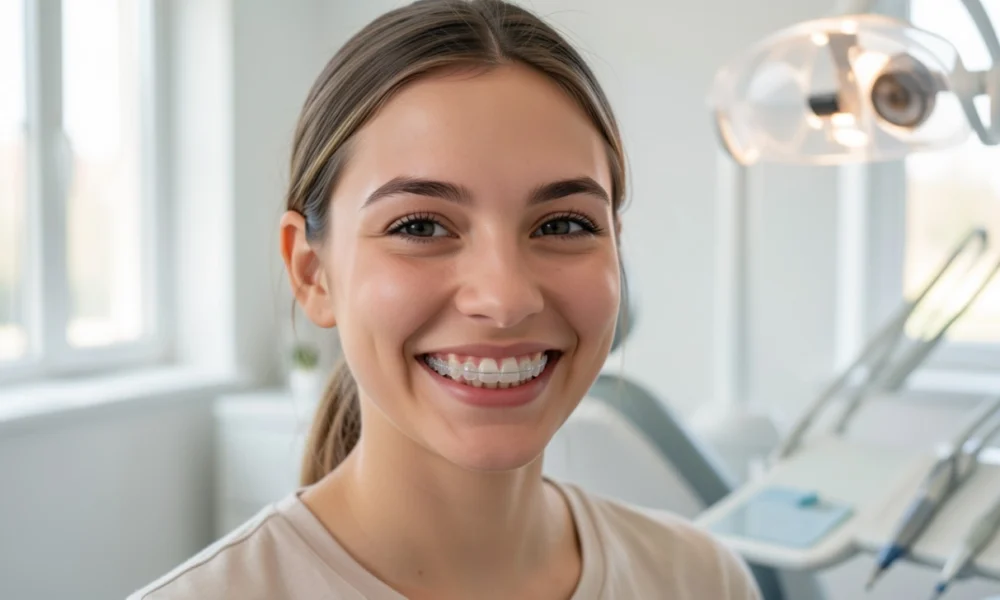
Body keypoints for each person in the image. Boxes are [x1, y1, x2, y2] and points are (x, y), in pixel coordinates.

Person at [129, 1, 762, 598]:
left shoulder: (702, 579)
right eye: (420, 227)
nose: (505, 298)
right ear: (312, 272)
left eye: (564, 225)